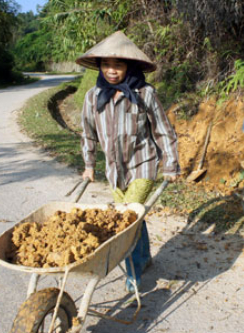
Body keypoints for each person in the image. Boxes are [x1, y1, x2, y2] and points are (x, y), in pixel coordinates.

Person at [76, 31, 180, 292]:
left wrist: (170, 164)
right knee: (134, 217)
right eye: (107, 64)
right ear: (99, 66)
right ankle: (144, 258)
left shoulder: (144, 93)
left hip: (143, 164)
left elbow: (163, 130)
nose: (112, 70)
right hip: (115, 171)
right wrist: (89, 165)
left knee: (127, 220)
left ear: (129, 66)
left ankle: (133, 273)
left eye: (118, 64)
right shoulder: (92, 97)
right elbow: (88, 133)